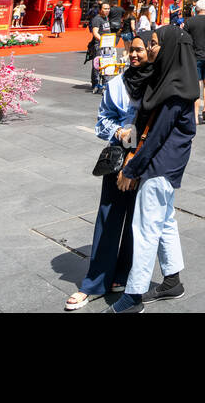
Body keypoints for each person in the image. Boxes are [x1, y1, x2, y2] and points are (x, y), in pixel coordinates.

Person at [109, 24, 200, 313]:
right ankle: (172, 281)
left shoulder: (173, 90)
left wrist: (133, 168)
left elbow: (158, 135)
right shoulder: (171, 79)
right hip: (168, 163)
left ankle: (133, 296)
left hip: (161, 164)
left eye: (156, 44)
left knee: (145, 226)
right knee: (164, 220)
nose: (151, 48)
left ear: (171, 48)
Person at [64, 30, 156, 310]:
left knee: (136, 221)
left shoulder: (158, 84)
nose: (136, 54)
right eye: (133, 49)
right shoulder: (117, 84)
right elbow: (103, 120)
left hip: (146, 158)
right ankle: (94, 281)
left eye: (142, 49)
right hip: (118, 158)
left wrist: (138, 146)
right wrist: (120, 133)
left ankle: (122, 273)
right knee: (109, 216)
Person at [88, 2, 111, 93]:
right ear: (100, 9)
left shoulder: (106, 18)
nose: (107, 10)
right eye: (105, 9)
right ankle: (95, 84)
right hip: (99, 45)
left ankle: (105, 83)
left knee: (106, 64)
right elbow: (95, 33)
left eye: (108, 8)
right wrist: (103, 41)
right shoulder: (97, 19)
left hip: (107, 45)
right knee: (97, 65)